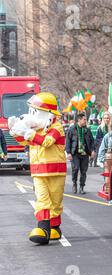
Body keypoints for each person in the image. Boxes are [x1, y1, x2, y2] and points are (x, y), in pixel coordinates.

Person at [8, 92, 66, 245]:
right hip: (39, 171)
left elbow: (47, 142)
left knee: (55, 201)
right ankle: (43, 230)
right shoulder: (36, 130)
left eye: (35, 111)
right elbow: (23, 142)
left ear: (48, 113)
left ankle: (55, 228)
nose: (32, 115)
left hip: (56, 171)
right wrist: (15, 131)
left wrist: (28, 132)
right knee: (42, 201)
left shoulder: (57, 127)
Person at [65, 113, 95, 194]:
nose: (85, 121)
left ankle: (81, 187)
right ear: (79, 120)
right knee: (75, 169)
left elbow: (92, 141)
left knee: (83, 171)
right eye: (84, 119)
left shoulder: (87, 130)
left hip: (85, 154)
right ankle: (74, 183)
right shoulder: (72, 129)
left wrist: (92, 150)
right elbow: (68, 142)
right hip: (75, 153)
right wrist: (68, 153)